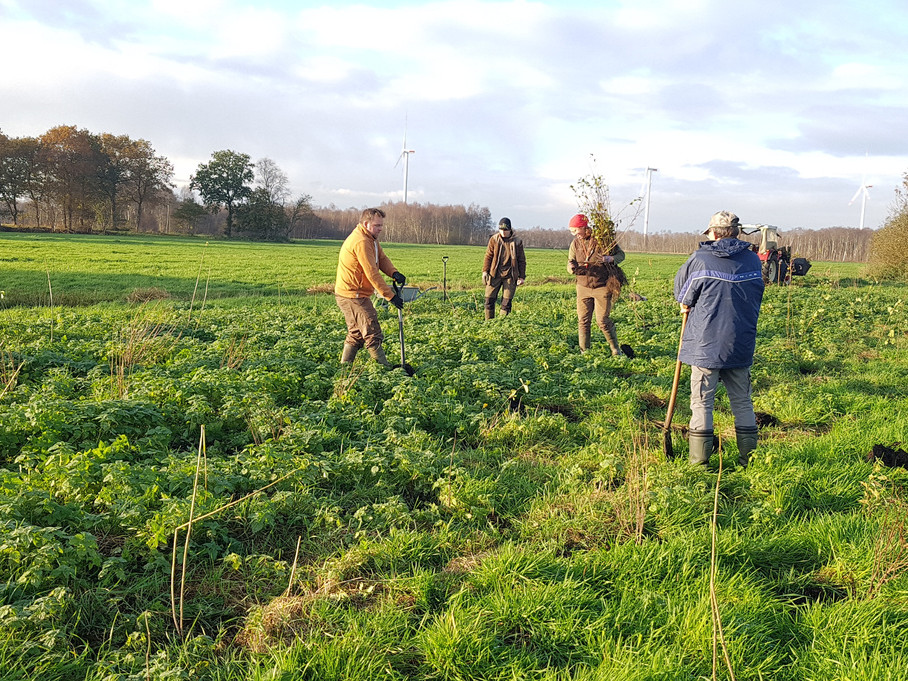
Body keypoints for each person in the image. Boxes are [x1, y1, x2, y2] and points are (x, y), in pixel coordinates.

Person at [674, 210, 765, 467]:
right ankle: (750, 461)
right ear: (737, 233)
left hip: (705, 345)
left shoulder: (700, 259)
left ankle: (699, 463)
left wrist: (686, 304)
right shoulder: (753, 261)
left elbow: (682, 293)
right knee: (742, 401)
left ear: (712, 233)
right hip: (740, 342)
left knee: (702, 402)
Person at [335, 207, 406, 366]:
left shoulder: (370, 238)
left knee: (356, 334)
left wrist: (394, 273)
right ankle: (383, 370)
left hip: (355, 293)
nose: (380, 229)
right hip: (352, 295)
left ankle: (344, 368)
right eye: (377, 226)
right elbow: (371, 273)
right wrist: (391, 296)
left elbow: (381, 258)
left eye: (381, 225)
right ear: (366, 224)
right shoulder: (361, 241)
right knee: (372, 330)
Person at [567, 213, 627, 355]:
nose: (574, 234)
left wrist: (610, 258)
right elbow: (569, 262)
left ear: (584, 227)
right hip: (583, 286)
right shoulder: (575, 244)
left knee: (602, 321)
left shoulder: (602, 239)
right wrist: (571, 268)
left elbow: (621, 255)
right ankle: (584, 352)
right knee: (583, 320)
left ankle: (615, 350)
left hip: (602, 286)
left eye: (575, 230)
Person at [482, 217, 526, 319]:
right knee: (489, 300)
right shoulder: (494, 239)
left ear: (510, 229)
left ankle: (501, 324)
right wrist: (485, 271)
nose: (503, 232)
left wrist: (521, 277)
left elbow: (521, 260)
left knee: (506, 303)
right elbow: (488, 256)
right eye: (501, 230)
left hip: (510, 276)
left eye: (505, 230)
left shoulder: (517, 242)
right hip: (494, 274)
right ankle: (489, 323)